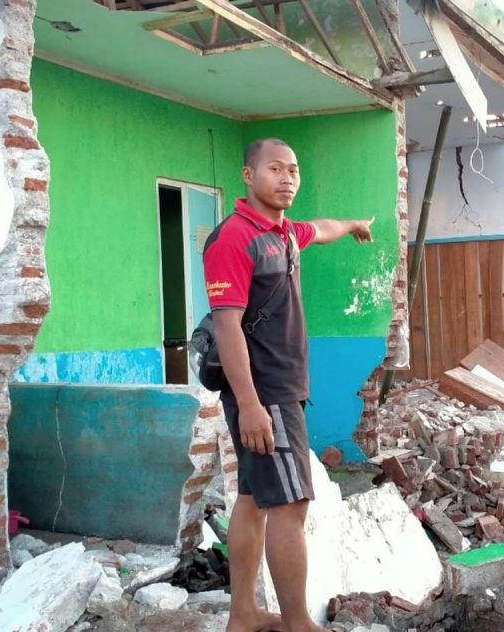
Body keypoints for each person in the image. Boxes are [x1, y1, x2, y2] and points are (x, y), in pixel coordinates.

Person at [203, 138, 374, 632]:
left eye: (293, 170)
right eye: (274, 168)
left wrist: (354, 226)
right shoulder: (235, 238)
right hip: (266, 393)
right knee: (290, 505)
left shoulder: (284, 233)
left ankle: (244, 615)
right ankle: (298, 623)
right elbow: (227, 325)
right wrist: (253, 405)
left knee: (254, 499)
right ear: (247, 175)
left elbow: (321, 228)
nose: (286, 178)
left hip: (278, 389)